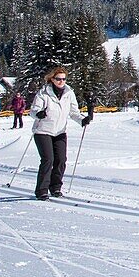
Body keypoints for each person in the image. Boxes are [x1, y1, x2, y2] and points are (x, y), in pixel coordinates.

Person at [30, 66, 91, 200]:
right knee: (48, 159)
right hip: (43, 131)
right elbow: (33, 111)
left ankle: (55, 187)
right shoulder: (43, 93)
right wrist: (38, 114)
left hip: (60, 131)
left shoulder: (69, 93)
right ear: (52, 79)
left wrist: (82, 120)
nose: (61, 81)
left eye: (63, 79)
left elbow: (74, 112)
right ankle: (41, 190)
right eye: (58, 79)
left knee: (61, 160)